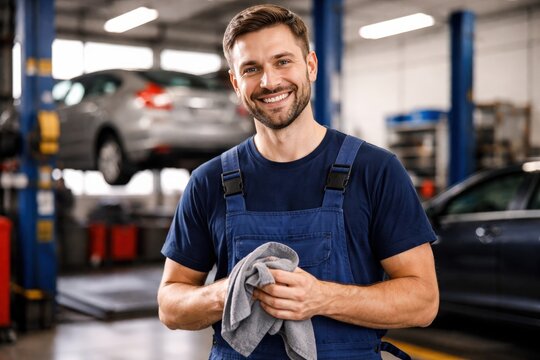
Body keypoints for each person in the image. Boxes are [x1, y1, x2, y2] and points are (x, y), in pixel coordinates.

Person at [158, 4, 439, 359]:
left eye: (282, 61)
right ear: (235, 82)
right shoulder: (208, 181)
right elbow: (170, 305)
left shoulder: (376, 170)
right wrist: (229, 291)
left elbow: (424, 301)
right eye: (251, 69)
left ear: (311, 65)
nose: (269, 81)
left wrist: (322, 297)